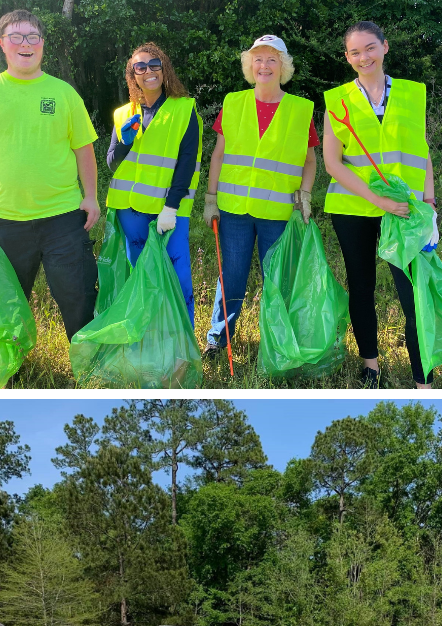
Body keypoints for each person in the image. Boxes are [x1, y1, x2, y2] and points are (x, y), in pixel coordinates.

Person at [322, 21, 436, 389]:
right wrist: (376, 199)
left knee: (414, 293)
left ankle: (423, 380)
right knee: (362, 286)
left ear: (385, 47)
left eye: (369, 48)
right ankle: (371, 366)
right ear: (347, 57)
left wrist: (429, 204)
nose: (363, 57)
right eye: (355, 52)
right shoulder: (336, 100)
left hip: (405, 210)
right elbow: (332, 163)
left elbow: (422, 151)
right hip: (354, 208)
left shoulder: (412, 93)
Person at [0, 9, 99, 342]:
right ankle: (9, 371)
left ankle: (87, 369)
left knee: (79, 298)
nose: (25, 44)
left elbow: (83, 149)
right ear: (2, 44)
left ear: (42, 44)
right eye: (15, 36)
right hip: (2, 220)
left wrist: (90, 196)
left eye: (33, 36)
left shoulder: (64, 93)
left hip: (63, 217)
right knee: (7, 305)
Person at [203, 35, 317, 353]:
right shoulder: (234, 103)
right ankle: (218, 339)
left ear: (283, 66)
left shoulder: (300, 109)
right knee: (232, 276)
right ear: (249, 65)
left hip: (278, 215)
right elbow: (218, 154)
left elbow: (310, 159)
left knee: (277, 280)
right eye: (258, 59)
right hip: (234, 211)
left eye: (271, 58)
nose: (263, 65)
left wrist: (305, 195)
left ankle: (277, 342)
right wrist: (210, 198)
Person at [106, 42, 203, 327]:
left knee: (177, 276)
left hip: (168, 212)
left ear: (164, 70)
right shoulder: (123, 113)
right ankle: (148, 339)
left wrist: (171, 207)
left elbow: (187, 162)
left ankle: (181, 342)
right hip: (130, 210)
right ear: (132, 74)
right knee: (140, 277)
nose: (148, 71)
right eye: (140, 67)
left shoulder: (184, 109)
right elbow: (112, 163)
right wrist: (124, 141)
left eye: (154, 65)